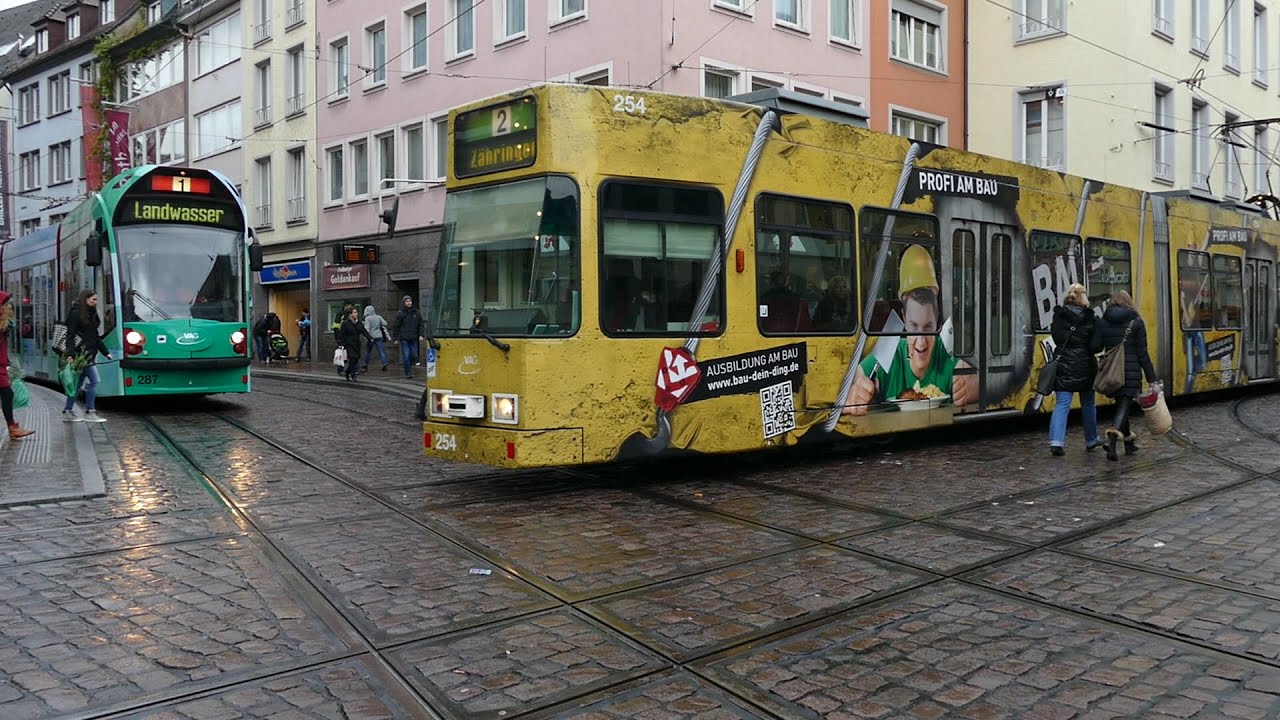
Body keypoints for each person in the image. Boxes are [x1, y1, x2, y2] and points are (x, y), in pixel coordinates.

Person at [844, 244, 976, 415]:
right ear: (904, 319)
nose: (921, 342)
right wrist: (853, 393)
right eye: (914, 326)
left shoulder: (947, 359)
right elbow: (856, 377)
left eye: (928, 327)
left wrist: (977, 386)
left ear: (937, 321)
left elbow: (983, 381)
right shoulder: (888, 354)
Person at [1092, 290, 1158, 461]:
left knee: (1123, 404)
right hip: (1131, 372)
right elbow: (1143, 354)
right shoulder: (1136, 322)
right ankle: (1112, 439)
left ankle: (1129, 443)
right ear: (1129, 302)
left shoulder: (1103, 321)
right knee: (1124, 405)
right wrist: (1152, 379)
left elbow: (1097, 346)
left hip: (1112, 373)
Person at [1047, 283, 1100, 456]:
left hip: (1064, 364)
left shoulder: (1059, 316)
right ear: (1083, 297)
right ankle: (1091, 439)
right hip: (1085, 365)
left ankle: (1056, 442)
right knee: (1088, 404)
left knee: (1062, 404)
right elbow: (1095, 346)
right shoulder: (1091, 318)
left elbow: (1056, 338)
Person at [62, 289, 112, 423]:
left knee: (77, 385)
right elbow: (70, 335)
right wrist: (71, 354)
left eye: (96, 300)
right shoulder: (76, 314)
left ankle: (67, 410)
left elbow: (95, 337)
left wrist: (106, 352)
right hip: (81, 355)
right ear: (86, 299)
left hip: (89, 354)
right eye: (93, 299)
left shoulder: (91, 314)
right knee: (94, 380)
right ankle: (90, 411)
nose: (95, 302)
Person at [0, 291, 35, 440]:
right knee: (7, 394)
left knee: (7, 394)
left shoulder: (4, 325)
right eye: (8, 305)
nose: (11, 308)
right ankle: (12, 427)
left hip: (1, 365)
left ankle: (12, 427)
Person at [338, 306, 373, 381]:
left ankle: (347, 372)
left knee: (356, 359)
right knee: (352, 359)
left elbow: (363, 331)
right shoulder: (345, 323)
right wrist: (341, 344)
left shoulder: (358, 323)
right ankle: (353, 375)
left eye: (356, 312)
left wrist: (370, 338)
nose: (356, 314)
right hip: (349, 344)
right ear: (350, 314)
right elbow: (342, 334)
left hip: (356, 344)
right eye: (354, 312)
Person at [392, 295, 423, 379]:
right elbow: (396, 326)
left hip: (413, 338)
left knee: (414, 355)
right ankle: (408, 373)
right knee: (406, 356)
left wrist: (421, 335)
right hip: (404, 338)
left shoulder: (416, 312)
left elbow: (421, 324)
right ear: (404, 303)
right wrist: (395, 338)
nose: (409, 303)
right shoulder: (401, 313)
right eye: (407, 301)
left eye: (410, 301)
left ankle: (411, 364)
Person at [360, 304, 389, 373]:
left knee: (368, 351)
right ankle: (384, 363)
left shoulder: (368, 318)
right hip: (379, 336)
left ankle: (365, 364)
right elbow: (385, 323)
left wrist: (366, 336)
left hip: (371, 337)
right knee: (381, 351)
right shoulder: (378, 317)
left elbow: (367, 328)